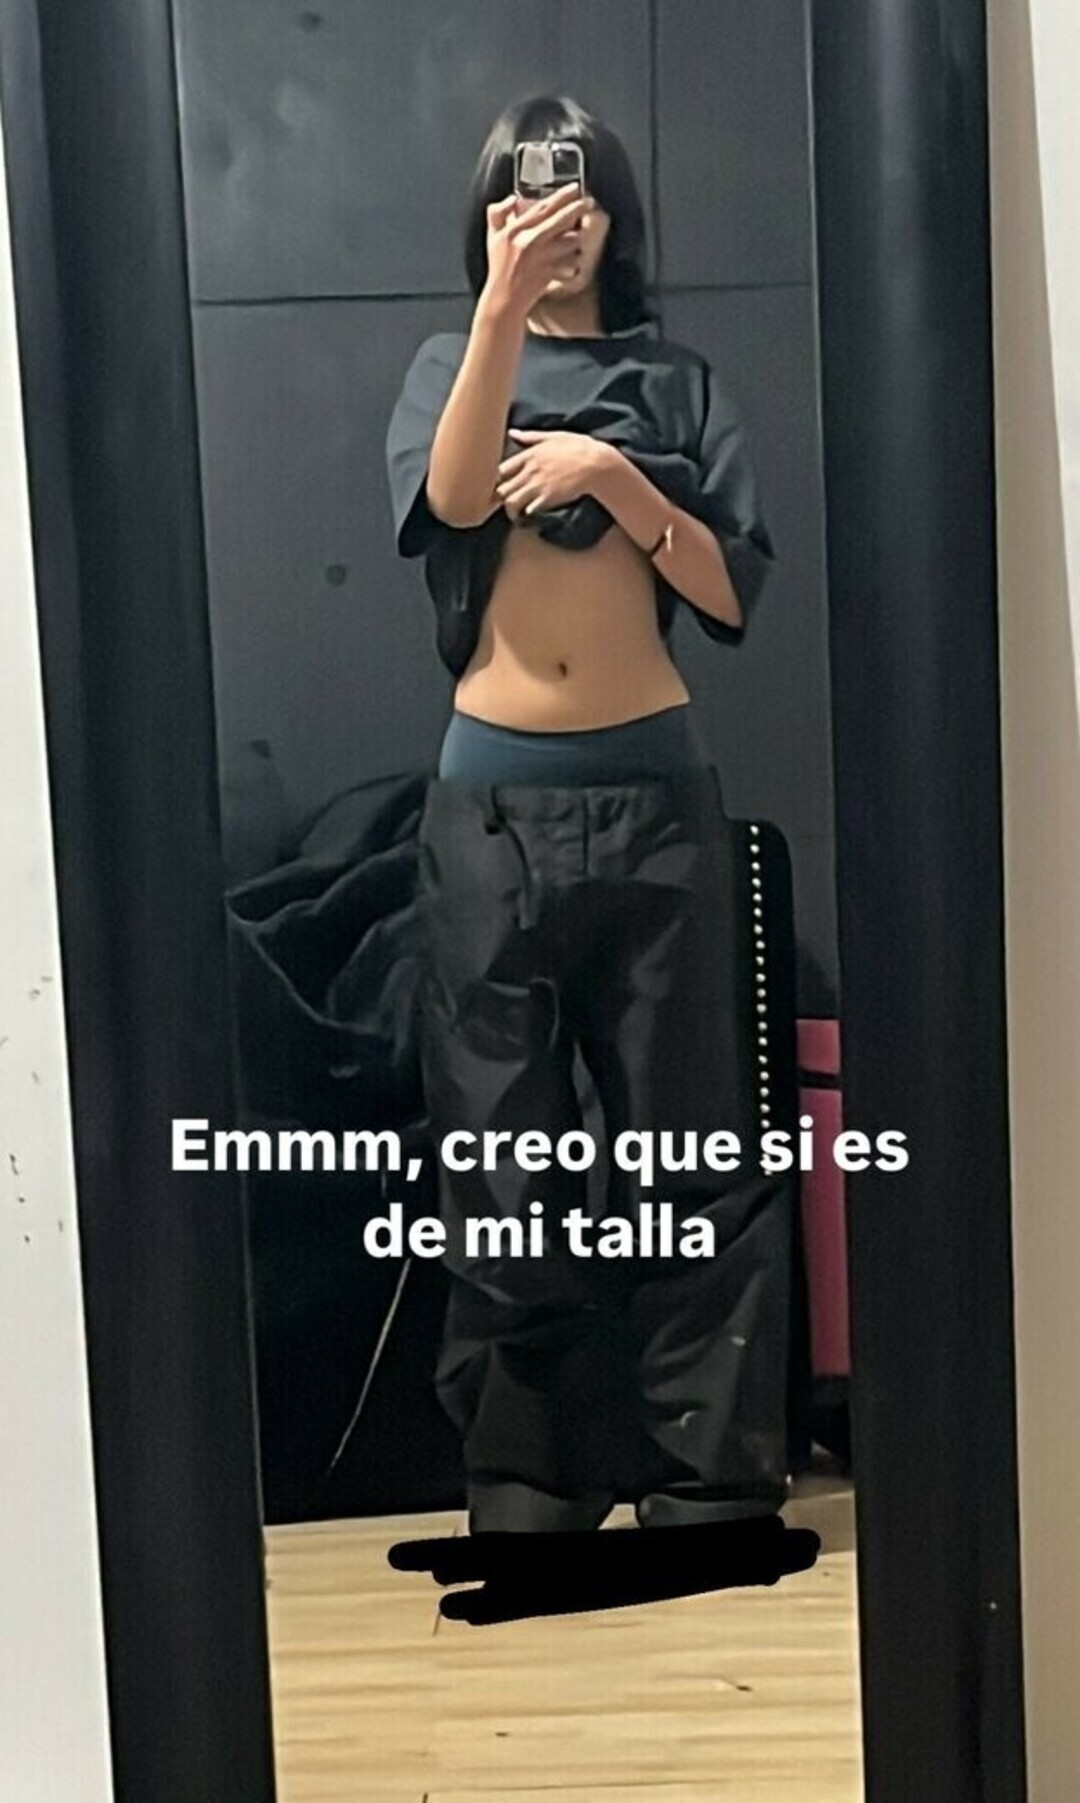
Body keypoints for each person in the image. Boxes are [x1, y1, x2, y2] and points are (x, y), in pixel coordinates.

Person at [385, 94, 794, 1533]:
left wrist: (612, 475)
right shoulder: (452, 365)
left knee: (689, 1142)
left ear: (618, 219)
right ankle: (531, 1471)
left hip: (659, 799)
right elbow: (448, 501)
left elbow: (731, 589)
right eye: (524, 201)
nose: (556, 226)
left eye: (579, 200)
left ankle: (706, 1469)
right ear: (489, 220)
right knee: (504, 1150)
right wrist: (500, 312)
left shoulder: (677, 384)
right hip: (490, 810)